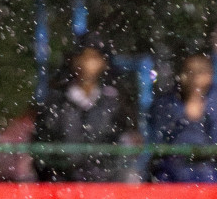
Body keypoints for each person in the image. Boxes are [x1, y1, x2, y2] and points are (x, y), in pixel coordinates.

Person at [34, 38, 140, 182]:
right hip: (62, 186)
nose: (87, 63)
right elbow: (43, 149)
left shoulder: (114, 102)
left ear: (103, 63)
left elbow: (126, 145)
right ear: (74, 61)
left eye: (93, 58)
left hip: (105, 186)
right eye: (82, 57)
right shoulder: (56, 102)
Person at [150, 52, 217, 182]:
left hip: (207, 168)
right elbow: (158, 139)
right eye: (189, 72)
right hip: (171, 168)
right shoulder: (165, 103)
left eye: (200, 71)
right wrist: (183, 114)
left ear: (210, 75)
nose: (195, 77)